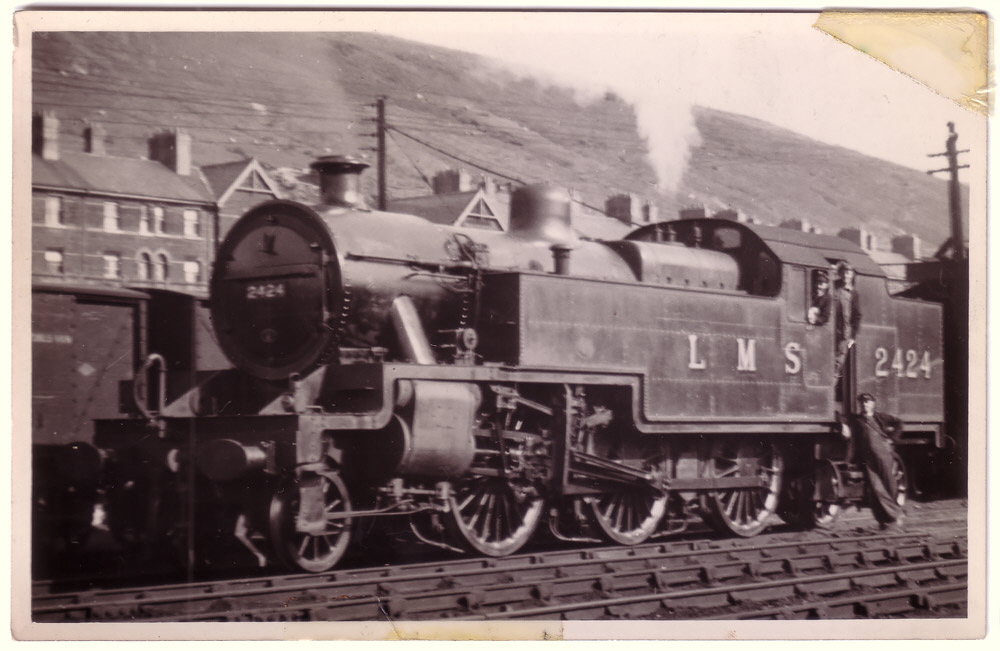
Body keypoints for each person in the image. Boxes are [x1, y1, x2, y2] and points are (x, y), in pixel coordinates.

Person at [850, 393, 905, 531]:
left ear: (873, 403)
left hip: (883, 455)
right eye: (862, 402)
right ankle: (884, 519)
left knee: (889, 484)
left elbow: (899, 422)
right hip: (868, 458)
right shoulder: (857, 420)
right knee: (875, 488)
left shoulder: (880, 417)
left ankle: (894, 518)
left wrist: (893, 438)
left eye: (867, 402)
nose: (864, 404)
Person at [833, 261, 861, 378]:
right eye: (844, 272)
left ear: (852, 275)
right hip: (832, 331)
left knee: (836, 366)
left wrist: (853, 337)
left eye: (848, 273)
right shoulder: (834, 287)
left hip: (844, 334)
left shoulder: (854, 294)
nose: (846, 275)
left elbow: (857, 315)